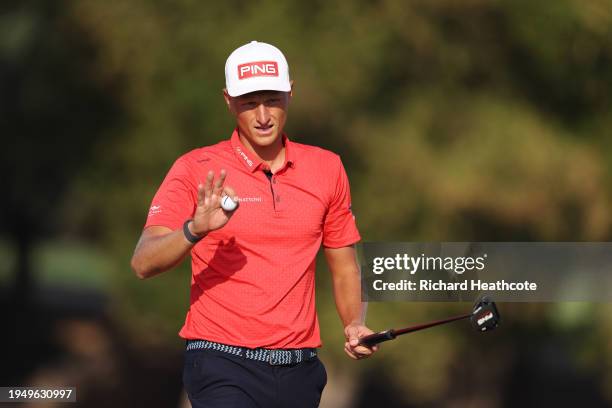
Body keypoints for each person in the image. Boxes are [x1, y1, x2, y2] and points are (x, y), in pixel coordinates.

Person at [131, 40, 377, 408]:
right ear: (228, 101)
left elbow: (344, 266)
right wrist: (193, 230)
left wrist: (354, 323)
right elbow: (143, 263)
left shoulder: (328, 169)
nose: (263, 116)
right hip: (220, 362)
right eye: (249, 103)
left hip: (300, 370)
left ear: (290, 95)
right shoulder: (195, 169)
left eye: (273, 100)